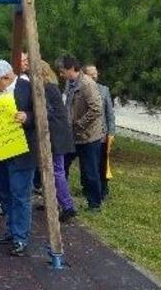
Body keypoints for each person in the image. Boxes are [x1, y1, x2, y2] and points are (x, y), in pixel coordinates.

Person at [0, 60, 37, 257]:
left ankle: (21, 237)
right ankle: (12, 231)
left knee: (20, 195)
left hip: (22, 152)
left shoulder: (28, 88)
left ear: (6, 77)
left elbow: (45, 114)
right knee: (4, 193)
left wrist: (27, 117)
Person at [60, 56, 104, 211]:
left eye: (62, 70)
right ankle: (61, 199)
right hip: (71, 135)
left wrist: (79, 125)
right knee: (61, 165)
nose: (61, 74)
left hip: (88, 136)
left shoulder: (87, 84)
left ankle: (95, 204)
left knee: (90, 171)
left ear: (72, 69)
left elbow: (96, 109)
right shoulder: (69, 83)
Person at [39, 62, 77, 222]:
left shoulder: (47, 89)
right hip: (58, 134)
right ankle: (54, 201)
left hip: (56, 135)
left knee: (56, 171)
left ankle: (67, 206)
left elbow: (46, 112)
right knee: (54, 170)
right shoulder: (51, 87)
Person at [82, 64, 116, 200]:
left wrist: (111, 132)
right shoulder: (79, 89)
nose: (95, 76)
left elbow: (110, 114)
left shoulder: (104, 90)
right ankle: (87, 188)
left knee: (102, 163)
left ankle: (103, 189)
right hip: (85, 134)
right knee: (88, 163)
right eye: (91, 74)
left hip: (102, 134)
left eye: (96, 74)